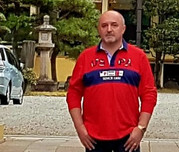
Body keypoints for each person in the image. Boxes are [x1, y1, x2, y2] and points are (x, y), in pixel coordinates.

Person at [67, 10, 157, 152]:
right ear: (99, 29)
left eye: (114, 25)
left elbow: (149, 94)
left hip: (128, 138)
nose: (109, 29)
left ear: (123, 29)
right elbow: (73, 94)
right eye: (104, 26)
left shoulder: (138, 57)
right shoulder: (86, 57)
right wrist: (80, 128)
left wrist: (141, 128)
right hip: (93, 138)